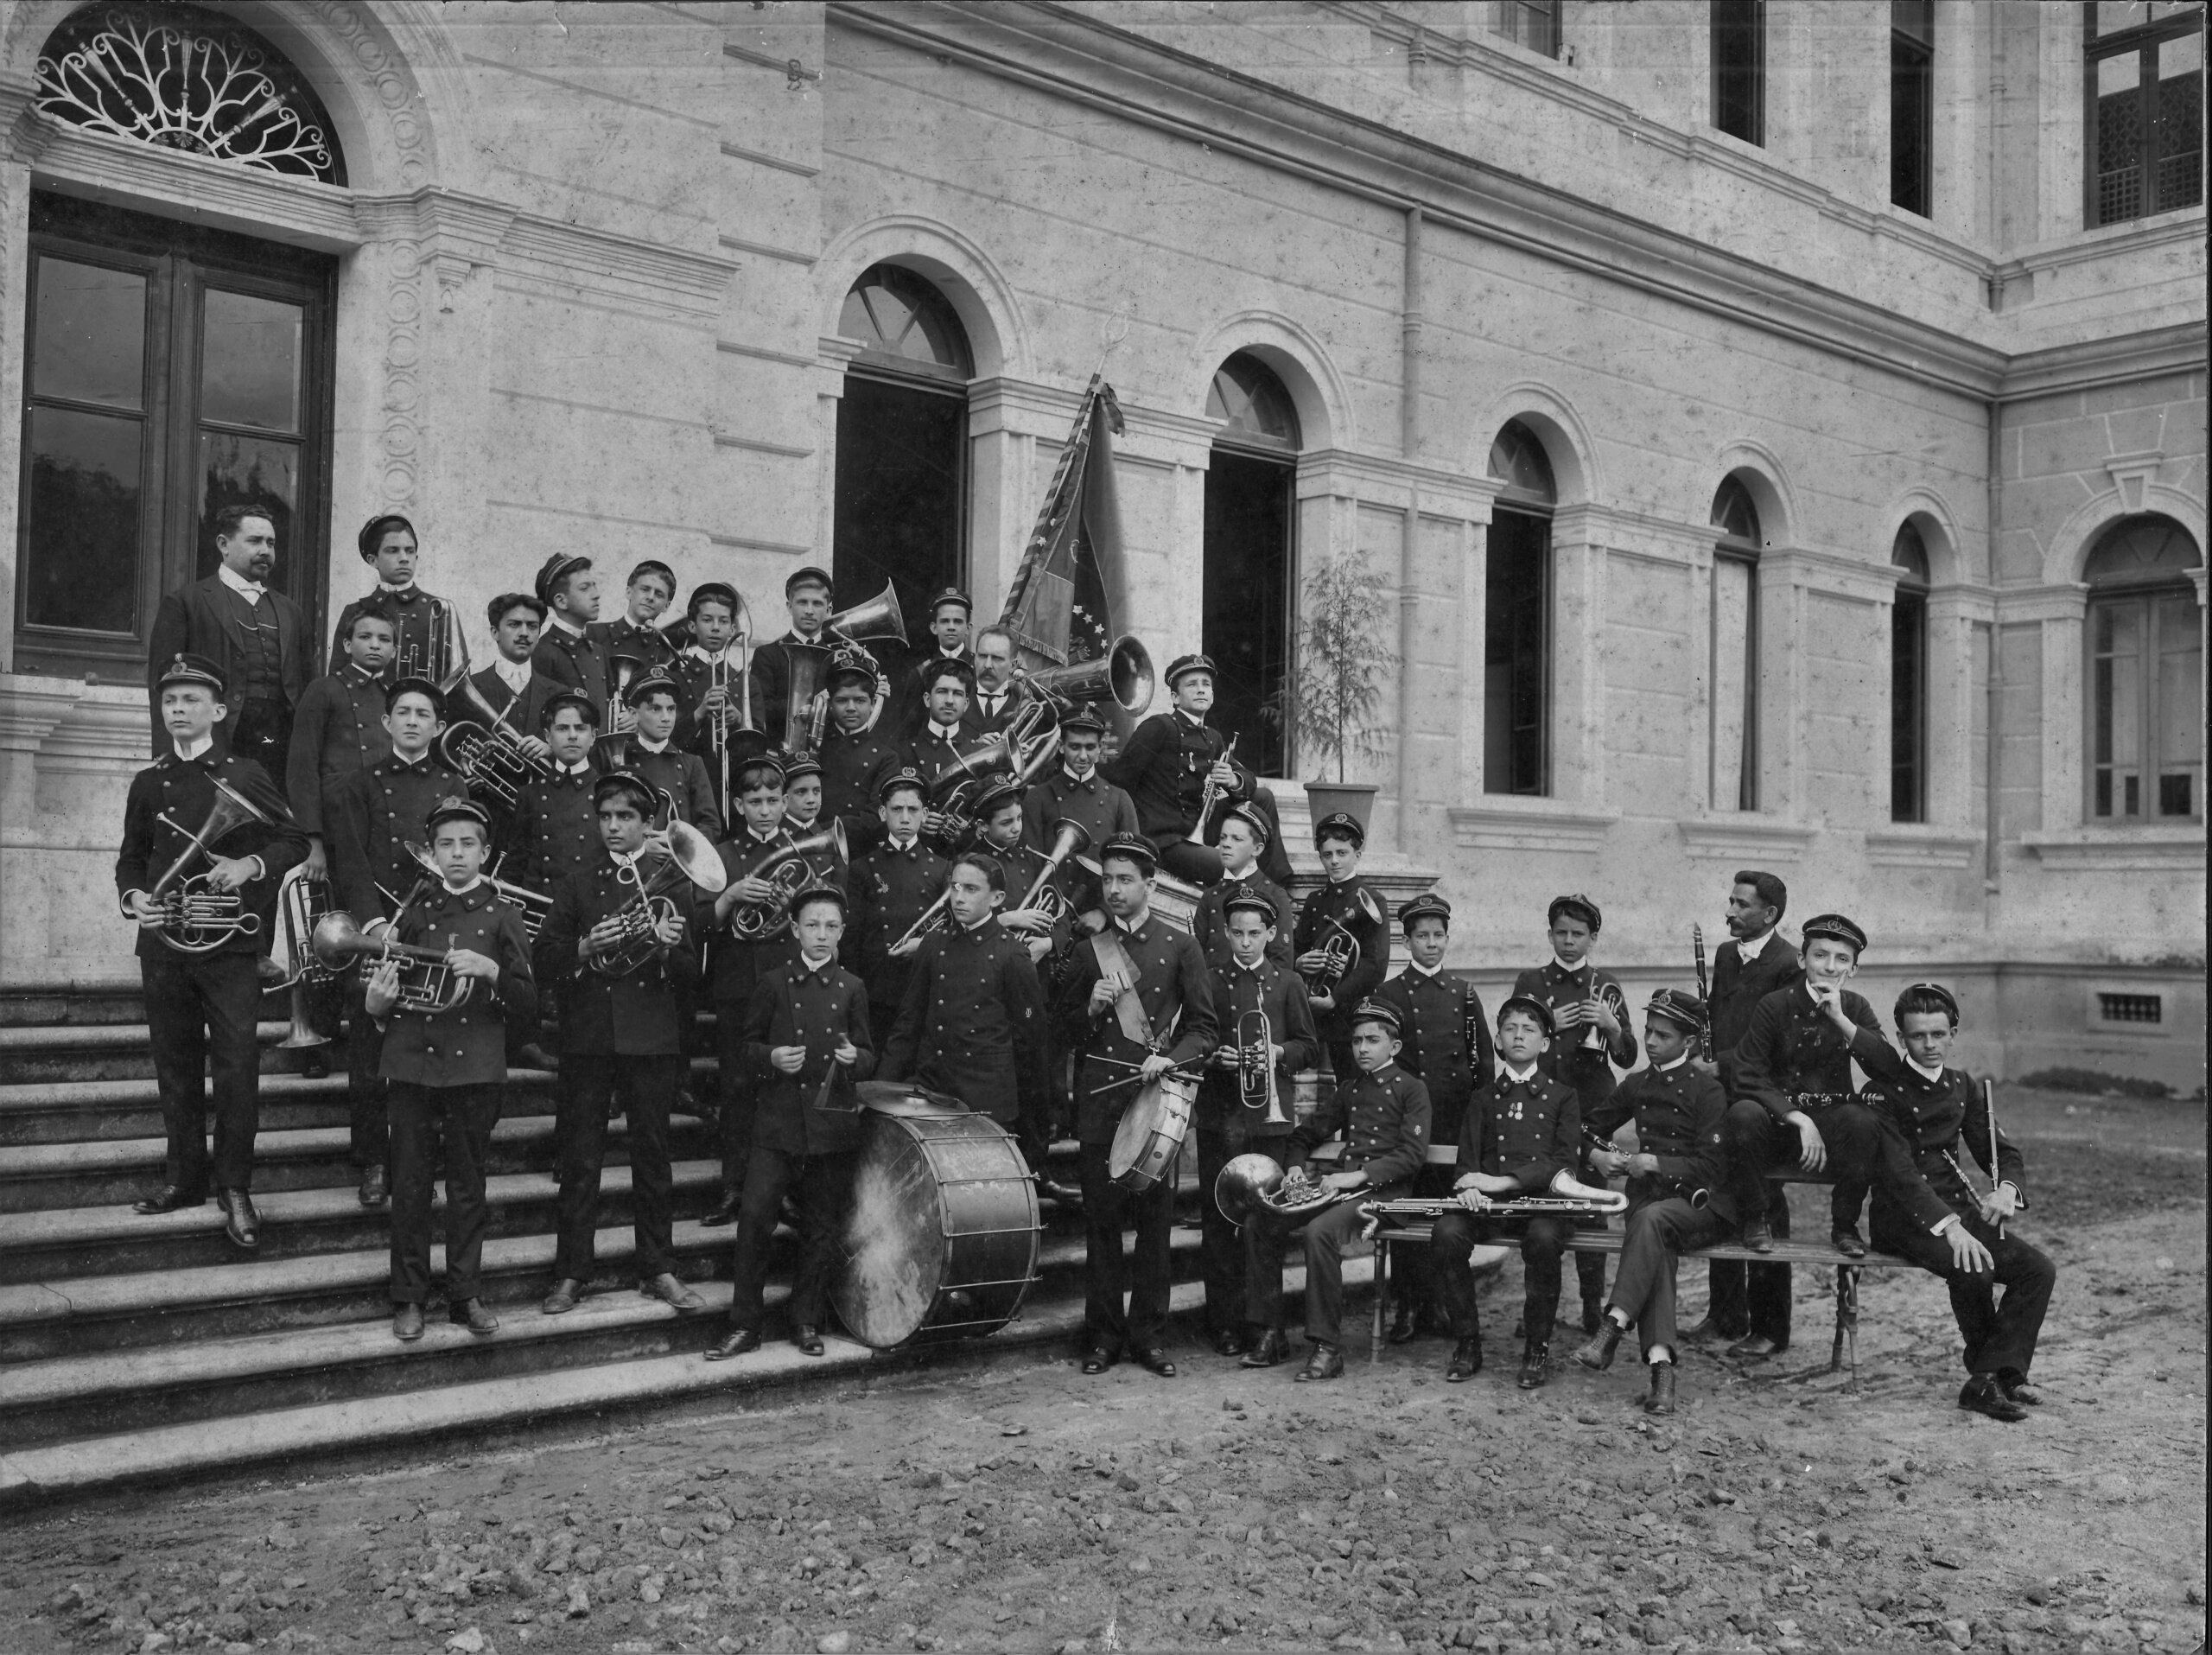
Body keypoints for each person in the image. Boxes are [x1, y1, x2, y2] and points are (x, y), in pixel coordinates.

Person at [115, 654, 306, 1249]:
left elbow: (293, 838)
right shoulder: (149, 781)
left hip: (228, 947)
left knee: (236, 1067)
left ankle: (235, 1186)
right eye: (170, 700)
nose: (178, 709)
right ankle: (184, 1178)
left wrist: (251, 863)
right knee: (173, 1065)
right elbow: (130, 856)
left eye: (191, 699)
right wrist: (133, 897)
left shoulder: (246, 772)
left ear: (218, 710)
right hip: (165, 943)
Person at [1722, 912, 1958, 1359]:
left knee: (1864, 1119)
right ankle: (1757, 1220)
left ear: (1854, 968)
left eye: (1841, 959)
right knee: (1743, 1114)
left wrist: (1843, 1022)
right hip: (1780, 1126)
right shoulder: (1774, 1005)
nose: (1829, 967)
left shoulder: (1855, 1007)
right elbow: (1748, 1074)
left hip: (1833, 1132)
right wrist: (1797, 1118)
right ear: (1802, 957)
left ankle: (1844, 1224)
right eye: (1821, 956)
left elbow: (1890, 1068)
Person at [535, 773, 707, 1318]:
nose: (613, 826)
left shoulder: (674, 883)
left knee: (653, 1159)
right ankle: (571, 1272)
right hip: (587, 1039)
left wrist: (664, 951)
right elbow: (544, 959)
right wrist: (584, 946)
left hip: (651, 1038)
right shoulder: (578, 882)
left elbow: (691, 975)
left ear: (646, 824)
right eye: (606, 816)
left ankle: (659, 1268)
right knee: (580, 1160)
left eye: (625, 818)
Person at [368, 797, 536, 1342]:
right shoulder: (413, 911)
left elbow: (531, 1006)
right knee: (412, 1185)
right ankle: (409, 1298)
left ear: (485, 853)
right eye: (446, 844)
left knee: (468, 1188)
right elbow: (387, 987)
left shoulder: (504, 915)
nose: (457, 854)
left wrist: (491, 971)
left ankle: (465, 1295)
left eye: (468, 844)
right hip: (413, 1063)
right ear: (432, 853)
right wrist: (374, 1005)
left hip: (475, 1069)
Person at [1054, 833, 1217, 1377]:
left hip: (1156, 1106)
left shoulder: (1180, 945)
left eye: (1126, 880)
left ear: (1150, 884)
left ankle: (1149, 1336)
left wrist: (1170, 1059)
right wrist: (1089, 1008)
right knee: (1101, 1226)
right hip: (1101, 1106)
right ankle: (1101, 1337)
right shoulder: (1086, 952)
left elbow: (1204, 1030)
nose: (1116, 889)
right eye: (1108, 880)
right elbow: (1063, 1033)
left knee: (1154, 1227)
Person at [1853, 983, 2055, 1423]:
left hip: (1958, 1213)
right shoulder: (1881, 1092)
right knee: (1974, 1265)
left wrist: (2006, 1190)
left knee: (2037, 1269)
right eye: (1918, 1036)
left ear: (1954, 1034)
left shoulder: (1963, 1086)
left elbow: (2003, 1154)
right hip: (1903, 1219)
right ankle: (1989, 1380)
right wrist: (1950, 1226)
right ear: (1901, 1038)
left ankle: (1997, 1375)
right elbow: (1899, 1175)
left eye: (1939, 1035)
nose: (1930, 1045)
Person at [707, 886, 876, 1360]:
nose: (821, 935)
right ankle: (744, 1325)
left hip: (829, 1125)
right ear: (796, 930)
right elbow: (745, 1049)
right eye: (812, 925)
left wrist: (854, 1058)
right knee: (755, 1219)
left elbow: (868, 1055)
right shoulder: (773, 982)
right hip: (777, 1125)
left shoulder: (852, 987)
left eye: (831, 926)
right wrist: (772, 1058)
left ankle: (806, 1321)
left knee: (821, 1227)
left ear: (842, 931)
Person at [324, 678, 467, 1209]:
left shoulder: (455, 785)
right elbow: (351, 861)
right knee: (369, 1049)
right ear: (386, 723)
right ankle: (375, 1164)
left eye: (422, 713)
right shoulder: (359, 784)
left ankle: (420, 1162)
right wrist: (374, 924)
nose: (411, 720)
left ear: (438, 726)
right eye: (402, 712)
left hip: (432, 932)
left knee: (428, 1048)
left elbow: (463, 861)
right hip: (379, 932)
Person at [1241, 999, 1428, 1382]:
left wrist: (1357, 1176)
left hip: (1386, 1196)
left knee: (1319, 1232)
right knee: (1261, 1222)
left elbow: (1412, 1156)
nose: (1361, 1048)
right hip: (1342, 1190)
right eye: (1357, 1040)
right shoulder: (1351, 1089)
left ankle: (1327, 1347)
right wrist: (1294, 1168)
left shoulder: (1412, 1089)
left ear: (1394, 1048)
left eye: (1372, 1040)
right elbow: (1304, 1134)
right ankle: (1271, 1332)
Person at [1573, 990, 1733, 1416]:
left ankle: (1612, 1328)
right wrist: (1598, 1155)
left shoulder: (1708, 1090)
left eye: (1663, 1035)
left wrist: (1656, 1162)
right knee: (1653, 1236)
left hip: (1702, 1206)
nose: (1651, 1041)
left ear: (1690, 1043)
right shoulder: (1638, 1083)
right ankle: (1662, 1374)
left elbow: (1713, 1166)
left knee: (1651, 1222)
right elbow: (1584, 1127)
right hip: (1652, 1208)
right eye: (1648, 1031)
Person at [1427, 995, 1580, 1387]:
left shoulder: (1563, 1097)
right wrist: (1470, 1189)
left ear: (1544, 1044)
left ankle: (1536, 1347)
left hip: (1541, 1205)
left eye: (1529, 1030)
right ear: (1497, 1040)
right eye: (1510, 1028)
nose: (1518, 1036)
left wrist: (1503, 1182)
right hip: (1488, 1207)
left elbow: (1563, 1164)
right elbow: (1467, 1162)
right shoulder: (1482, 1097)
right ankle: (1467, 1341)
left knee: (1545, 1240)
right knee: (1446, 1233)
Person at [1512, 894, 1637, 1335]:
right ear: (1550, 934)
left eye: (1578, 934)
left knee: (1592, 1203)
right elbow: (1510, 1044)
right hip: (1541, 1104)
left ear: (1593, 938)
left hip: (1591, 1107)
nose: (1569, 941)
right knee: (1538, 1204)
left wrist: (1612, 1024)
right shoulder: (1531, 980)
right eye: (1561, 933)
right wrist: (1549, 1024)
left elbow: (1626, 1058)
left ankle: (1591, 1303)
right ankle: (1536, 1307)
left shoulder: (1606, 981)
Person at [1372, 892, 1494, 1345]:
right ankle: (1407, 1305)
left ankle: (1441, 1303)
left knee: (1444, 1214)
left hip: (1450, 1120)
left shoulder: (1462, 992)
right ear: (1407, 940)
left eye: (1438, 935)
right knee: (1407, 1213)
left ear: (1447, 938)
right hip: (1405, 1123)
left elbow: (1483, 1067)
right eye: (1422, 936)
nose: (1431, 944)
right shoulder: (1389, 994)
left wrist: (1478, 1124)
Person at [1198, 893, 1316, 1353]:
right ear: (1226, 934)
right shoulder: (1209, 979)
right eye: (1237, 933)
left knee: (1265, 1224)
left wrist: (1278, 1052)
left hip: (1270, 1123)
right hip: (1220, 1118)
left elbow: (1308, 1045)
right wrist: (1215, 1056)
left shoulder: (1287, 983)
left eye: (1254, 933)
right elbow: (1196, 1039)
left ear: (1271, 934)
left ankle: (1263, 1323)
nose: (1245, 942)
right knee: (1217, 1223)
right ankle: (1223, 1323)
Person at [881, 850, 1050, 1168]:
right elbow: (909, 1022)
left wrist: (1033, 1127)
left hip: (985, 1102)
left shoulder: (1012, 955)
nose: (959, 897)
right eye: (955, 887)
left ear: (997, 898)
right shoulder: (934, 943)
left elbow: (1031, 1037)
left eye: (971, 889)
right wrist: (882, 1088)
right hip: (933, 1092)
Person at [1691, 869, 1802, 1349]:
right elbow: (1719, 1015)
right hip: (1725, 1099)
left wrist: (1724, 1065)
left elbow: (1785, 1046)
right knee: (1721, 1195)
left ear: (1770, 914)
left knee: (1766, 1208)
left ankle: (1771, 1330)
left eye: (1742, 905)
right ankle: (1726, 1317)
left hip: (1765, 1103)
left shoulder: (1789, 963)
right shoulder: (1725, 953)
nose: (1730, 912)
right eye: (1731, 902)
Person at [702, 754, 801, 1226]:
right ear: (739, 805)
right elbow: (701, 925)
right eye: (754, 801)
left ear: (785, 803)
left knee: (780, 1093)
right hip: (737, 986)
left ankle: (777, 1190)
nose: (764, 810)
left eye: (772, 801)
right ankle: (733, 1188)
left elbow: (824, 923)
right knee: (737, 1089)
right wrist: (729, 897)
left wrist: (794, 907)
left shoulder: (804, 851)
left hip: (786, 986)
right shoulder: (720, 854)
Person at [147, 505, 310, 791]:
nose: (266, 550)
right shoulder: (187, 603)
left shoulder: (291, 611)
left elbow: (308, 683)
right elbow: (162, 685)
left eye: (270, 543)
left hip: (279, 745)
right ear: (223, 544)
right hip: (218, 737)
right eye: (255, 541)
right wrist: (170, 753)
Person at [969, 781, 1076, 1194]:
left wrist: (1049, 943)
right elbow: (961, 925)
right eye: (1006, 822)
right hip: (989, 994)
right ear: (982, 828)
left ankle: (1038, 1170)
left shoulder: (1036, 863)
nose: (1017, 828)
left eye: (1018, 819)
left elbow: (1065, 920)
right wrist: (1010, 921)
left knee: (1037, 1083)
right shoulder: (970, 867)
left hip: (1035, 987)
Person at [1102, 652, 1252, 886]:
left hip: (1198, 831)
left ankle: (1278, 882)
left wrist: (1234, 780)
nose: (1201, 690)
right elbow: (1120, 778)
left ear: (1212, 695)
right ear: (1175, 697)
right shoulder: (1159, 727)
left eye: (1206, 685)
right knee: (1230, 864)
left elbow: (1248, 778)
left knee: (1263, 798)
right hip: (1165, 840)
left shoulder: (1213, 738)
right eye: (1192, 685)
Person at [286, 604, 397, 885]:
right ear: (347, 644)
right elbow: (303, 771)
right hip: (336, 829)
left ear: (394, 651)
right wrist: (313, 843)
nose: (375, 645)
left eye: (384, 640)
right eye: (365, 637)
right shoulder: (323, 690)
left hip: (384, 827)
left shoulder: (395, 698)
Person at [843, 769, 950, 1056]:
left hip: (922, 985)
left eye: (913, 809)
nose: (905, 817)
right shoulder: (862, 868)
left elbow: (950, 931)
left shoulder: (942, 868)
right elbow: (851, 938)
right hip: (875, 988)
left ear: (925, 814)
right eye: (896, 809)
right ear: (882, 812)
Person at [1293, 812, 1389, 1079]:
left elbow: (1375, 964)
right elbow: (1296, 947)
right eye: (1327, 854)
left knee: (1352, 1088)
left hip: (1350, 1014)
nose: (1334, 860)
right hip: (1311, 1010)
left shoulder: (1374, 901)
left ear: (1357, 855)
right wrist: (1299, 962)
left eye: (1342, 852)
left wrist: (1335, 998)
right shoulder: (1315, 900)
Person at [1020, 709, 1136, 921]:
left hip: (1100, 920)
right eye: (1074, 747)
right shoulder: (1038, 797)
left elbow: (1133, 868)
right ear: (1061, 746)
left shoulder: (1119, 800)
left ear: (1100, 748)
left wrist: (1104, 913)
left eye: (1090, 747)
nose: (1083, 756)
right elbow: (1028, 865)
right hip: (1045, 915)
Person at [594, 666, 724, 841]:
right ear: (633, 714)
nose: (666, 718)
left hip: (677, 861)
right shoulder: (616, 758)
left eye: (671, 709)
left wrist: (675, 843)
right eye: (655, 709)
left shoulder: (692, 763)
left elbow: (710, 825)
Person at [327, 514, 455, 682]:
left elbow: (454, 678)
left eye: (410, 551)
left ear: (416, 557)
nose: (404, 558)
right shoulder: (355, 611)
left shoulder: (438, 610)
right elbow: (337, 679)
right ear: (373, 561)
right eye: (393, 550)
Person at [671, 582, 756, 818]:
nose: (716, 628)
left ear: (733, 628)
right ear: (692, 625)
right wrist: (699, 713)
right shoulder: (675, 676)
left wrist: (739, 721)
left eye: (724, 621)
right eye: (707, 620)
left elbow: (761, 745)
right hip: (687, 784)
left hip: (735, 788)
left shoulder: (747, 680)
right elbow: (667, 739)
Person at [506, 692, 603, 895]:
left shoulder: (608, 792)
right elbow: (514, 866)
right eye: (562, 728)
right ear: (548, 736)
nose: (572, 736)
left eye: (581, 728)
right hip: (537, 910)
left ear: (593, 736)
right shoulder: (529, 794)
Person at [458, 593, 563, 768]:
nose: (524, 633)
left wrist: (551, 750)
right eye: (514, 625)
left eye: (532, 626)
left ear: (539, 634)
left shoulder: (559, 694)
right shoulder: (470, 688)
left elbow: (574, 751)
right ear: (495, 632)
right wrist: (463, 768)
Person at [817, 647, 903, 856]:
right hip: (812, 851)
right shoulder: (815, 747)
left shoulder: (886, 758)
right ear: (829, 704)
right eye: (842, 700)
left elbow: (876, 817)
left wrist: (820, 832)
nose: (851, 707)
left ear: (873, 704)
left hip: (859, 854)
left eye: (860, 700)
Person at [1188, 805, 1294, 972]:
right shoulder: (1210, 895)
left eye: (1236, 839)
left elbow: (1281, 966)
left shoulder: (1275, 895)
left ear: (1257, 849)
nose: (1226, 845)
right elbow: (1197, 959)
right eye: (1223, 837)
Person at [749, 566, 841, 742]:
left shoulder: (837, 658)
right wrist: (813, 706)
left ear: (829, 610)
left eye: (817, 604)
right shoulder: (767, 654)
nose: (809, 610)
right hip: (778, 755)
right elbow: (760, 706)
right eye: (802, 602)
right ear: (789, 607)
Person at [530, 552, 613, 717]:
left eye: (594, 585)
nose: (596, 594)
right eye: (584, 588)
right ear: (561, 601)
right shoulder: (543, 651)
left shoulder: (599, 651)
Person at [898, 586, 974, 729]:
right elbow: (908, 730)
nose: (951, 627)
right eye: (945, 621)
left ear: (968, 628)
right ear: (934, 627)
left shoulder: (981, 668)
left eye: (958, 622)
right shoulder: (920, 672)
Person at [601, 559, 682, 683]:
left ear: (666, 606)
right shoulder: (596, 633)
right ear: (629, 592)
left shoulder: (667, 653)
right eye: (645, 589)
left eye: (659, 594)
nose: (650, 597)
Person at [967, 627, 1023, 736]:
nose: (988, 665)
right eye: (982, 656)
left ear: (1013, 666)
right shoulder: (955, 700)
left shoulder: (1025, 708)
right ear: (975, 658)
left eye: (997, 658)